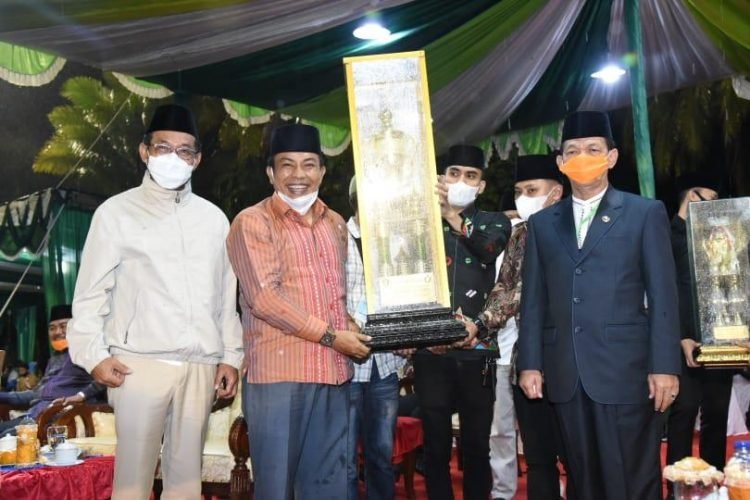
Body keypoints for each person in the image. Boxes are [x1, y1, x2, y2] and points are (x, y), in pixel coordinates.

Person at [68, 104, 244, 499]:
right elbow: (91, 293)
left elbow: (225, 297)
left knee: (186, 484)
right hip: (138, 364)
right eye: (163, 147)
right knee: (132, 484)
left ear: (196, 160)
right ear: (144, 151)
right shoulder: (116, 213)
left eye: (184, 151)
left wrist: (231, 356)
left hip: (199, 366)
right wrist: (94, 356)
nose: (173, 158)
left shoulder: (214, 219)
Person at [517, 111, 681, 500]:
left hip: (625, 369)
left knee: (633, 476)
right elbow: (533, 300)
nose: (583, 157)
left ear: (612, 157)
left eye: (593, 149)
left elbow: (663, 295)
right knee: (581, 475)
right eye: (572, 151)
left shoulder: (644, 213)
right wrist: (530, 363)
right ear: (561, 162)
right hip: (565, 371)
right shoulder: (542, 224)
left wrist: (665, 366)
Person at [226, 123, 370, 499]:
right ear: (270, 172)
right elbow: (264, 299)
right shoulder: (252, 222)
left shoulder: (335, 223)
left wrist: (354, 327)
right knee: (276, 489)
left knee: (329, 488)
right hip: (280, 376)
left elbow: (336, 297)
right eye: (286, 165)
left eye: (308, 164)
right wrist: (333, 336)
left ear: (322, 170)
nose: (298, 175)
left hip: (334, 374)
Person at [413, 144, 511, 500]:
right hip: (430, 350)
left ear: (481, 186)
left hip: (477, 350)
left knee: (476, 446)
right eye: (454, 173)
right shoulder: (420, 222)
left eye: (470, 176)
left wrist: (453, 216)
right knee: (435, 445)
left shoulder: (494, 222)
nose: (460, 181)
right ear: (441, 178)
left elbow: (488, 249)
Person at [478, 155, 566, 500]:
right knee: (538, 455)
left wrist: (482, 322)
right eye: (518, 191)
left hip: (568, 358)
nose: (523, 198)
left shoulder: (574, 230)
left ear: (555, 192)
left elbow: (528, 290)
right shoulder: (520, 234)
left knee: (576, 451)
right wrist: (479, 324)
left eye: (532, 190)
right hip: (525, 362)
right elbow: (507, 288)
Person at [666, 173, 732, 481]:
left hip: (720, 339)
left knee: (716, 414)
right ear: (693, 196)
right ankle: (678, 485)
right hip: (683, 340)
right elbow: (665, 294)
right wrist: (681, 336)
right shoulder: (666, 236)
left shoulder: (720, 237)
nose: (715, 205)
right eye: (711, 198)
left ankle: (714, 482)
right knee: (684, 411)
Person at [345, 176, 407, 500]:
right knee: (344, 457)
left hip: (385, 364)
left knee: (381, 455)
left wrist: (409, 334)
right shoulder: (335, 237)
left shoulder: (398, 242)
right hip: (346, 365)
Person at [0, 305, 104, 436]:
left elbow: (105, 379)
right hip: (34, 416)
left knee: (5, 438)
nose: (57, 332)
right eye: (52, 328)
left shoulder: (86, 352)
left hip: (57, 420)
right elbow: (36, 395)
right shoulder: (54, 359)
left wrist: (81, 395)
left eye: (63, 326)